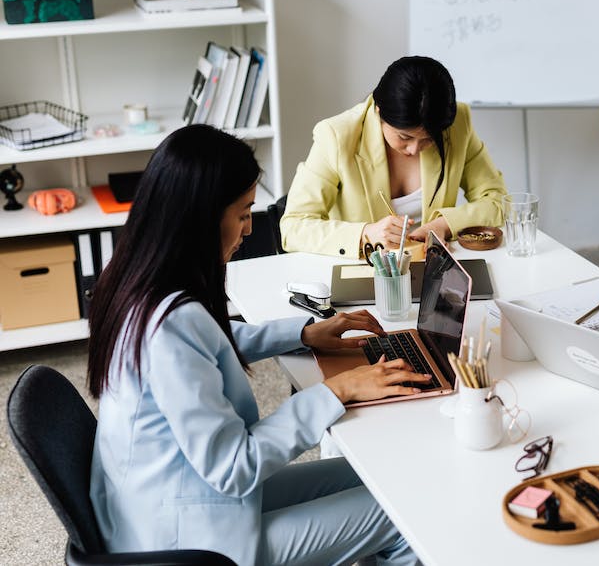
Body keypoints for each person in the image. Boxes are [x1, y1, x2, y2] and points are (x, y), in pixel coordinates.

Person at [87, 125, 427, 565]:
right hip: (189, 536)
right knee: (406, 513)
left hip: (170, 496)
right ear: (201, 215)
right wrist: (338, 391)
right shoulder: (170, 323)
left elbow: (209, 346)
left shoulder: (136, 278)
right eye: (243, 212)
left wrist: (303, 333)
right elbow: (233, 467)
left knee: (380, 477)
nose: (249, 228)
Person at [280, 55, 507, 258]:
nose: (414, 149)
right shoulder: (336, 136)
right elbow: (294, 227)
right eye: (404, 137)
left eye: (428, 139)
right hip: (366, 272)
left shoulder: (458, 125)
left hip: (433, 272)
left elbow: (498, 202)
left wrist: (443, 225)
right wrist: (366, 233)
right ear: (379, 110)